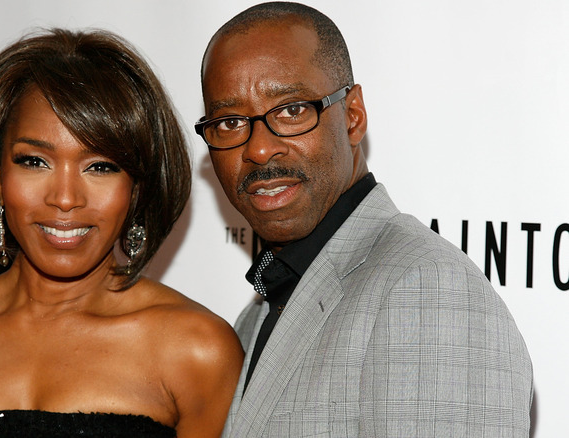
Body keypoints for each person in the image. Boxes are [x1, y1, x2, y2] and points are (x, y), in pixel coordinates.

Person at [0, 28, 243, 438]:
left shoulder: (197, 350)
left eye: (101, 166)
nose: (66, 198)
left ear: (136, 188)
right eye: (34, 161)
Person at [194, 2, 533, 436]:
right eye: (229, 122)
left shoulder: (425, 291)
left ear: (353, 116)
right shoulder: (261, 308)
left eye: (292, 110)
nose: (259, 149)